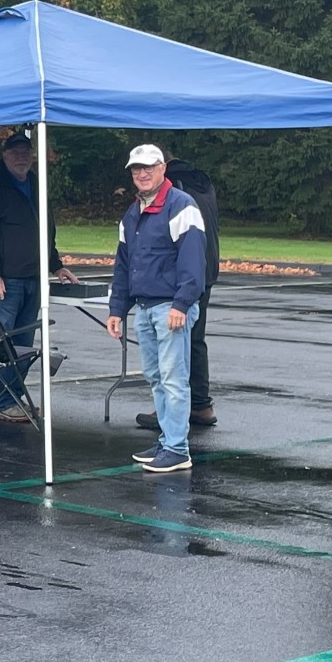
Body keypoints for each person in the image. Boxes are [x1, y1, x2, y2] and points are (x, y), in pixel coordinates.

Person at [105, 143, 207, 473]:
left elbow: (193, 262)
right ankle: (168, 440)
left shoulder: (181, 206)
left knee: (174, 379)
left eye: (149, 167)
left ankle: (177, 448)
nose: (142, 173)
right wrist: (117, 309)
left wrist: (182, 303)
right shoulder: (133, 213)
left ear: (163, 168)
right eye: (137, 169)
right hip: (146, 308)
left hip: (170, 309)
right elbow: (124, 265)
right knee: (156, 377)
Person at [0, 130, 76, 423]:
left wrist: (56, 265)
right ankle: (2, 402)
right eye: (15, 152)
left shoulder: (35, 184)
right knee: (5, 345)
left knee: (25, 345)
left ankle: (14, 396)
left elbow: (46, 230)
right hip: (6, 282)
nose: (21, 157)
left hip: (35, 279)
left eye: (25, 152)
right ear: (5, 156)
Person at [136, 153, 220, 432]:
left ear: (163, 168)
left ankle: (173, 416)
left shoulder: (176, 190)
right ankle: (201, 403)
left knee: (174, 348)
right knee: (195, 340)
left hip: (181, 277)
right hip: (206, 271)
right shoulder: (204, 183)